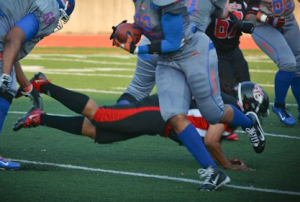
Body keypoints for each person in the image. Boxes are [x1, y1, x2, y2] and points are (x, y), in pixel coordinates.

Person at [111, 0, 266, 191]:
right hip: (168, 60)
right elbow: (148, 23)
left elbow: (172, 43)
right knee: (173, 115)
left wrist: (135, 49)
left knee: (213, 113)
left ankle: (249, 122)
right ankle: (212, 172)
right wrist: (128, 29)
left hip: (193, 52)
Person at [13, 73, 269, 171]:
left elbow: (207, 140)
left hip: (158, 122)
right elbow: (212, 141)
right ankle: (44, 85)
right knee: (100, 116)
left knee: (100, 133)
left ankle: (40, 118)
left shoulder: (227, 108)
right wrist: (226, 165)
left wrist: (222, 160)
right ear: (248, 105)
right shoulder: (227, 109)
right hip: (157, 113)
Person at [0, 0, 75, 170]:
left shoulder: (25, 2)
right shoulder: (47, 5)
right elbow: (12, 39)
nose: (58, 21)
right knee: (6, 89)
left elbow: (11, 53)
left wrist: (28, 88)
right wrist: (6, 77)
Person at [246, 0, 300, 126]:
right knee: (287, 63)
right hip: (264, 25)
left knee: (299, 67)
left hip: (288, 20)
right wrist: (268, 18)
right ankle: (280, 105)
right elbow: (249, 7)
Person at [205, 0, 259, 90]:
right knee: (229, 90)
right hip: (213, 51)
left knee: (247, 87)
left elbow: (251, 20)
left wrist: (245, 25)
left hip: (233, 49)